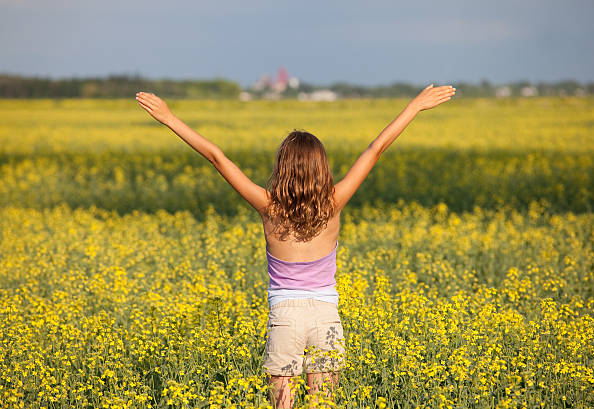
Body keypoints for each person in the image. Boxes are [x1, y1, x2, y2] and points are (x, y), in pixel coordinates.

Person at [135, 83, 455, 408]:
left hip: (284, 317)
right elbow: (375, 150)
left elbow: (217, 158)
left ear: (282, 168)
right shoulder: (334, 203)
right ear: (321, 167)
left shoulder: (268, 208)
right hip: (326, 316)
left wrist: (170, 119)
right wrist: (415, 106)